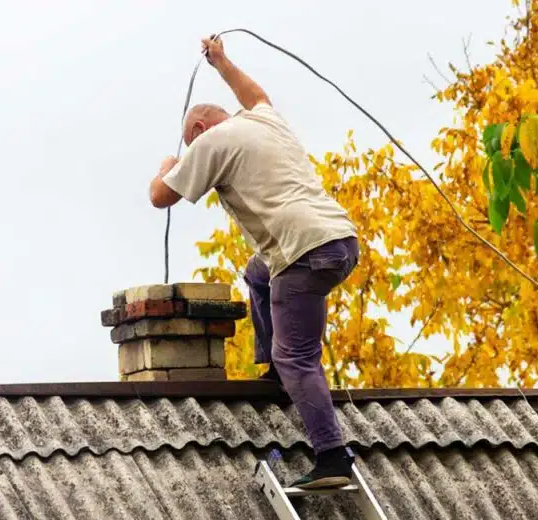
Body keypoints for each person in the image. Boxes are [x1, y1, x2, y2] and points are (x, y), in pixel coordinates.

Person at [149, 35, 359, 489]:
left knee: (298, 356)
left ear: (199, 132)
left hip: (300, 253)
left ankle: (332, 457)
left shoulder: (210, 142)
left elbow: (159, 196)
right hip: (339, 240)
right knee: (257, 271)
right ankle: (275, 371)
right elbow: (256, 93)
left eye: (191, 142)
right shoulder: (263, 119)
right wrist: (222, 62)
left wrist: (168, 163)